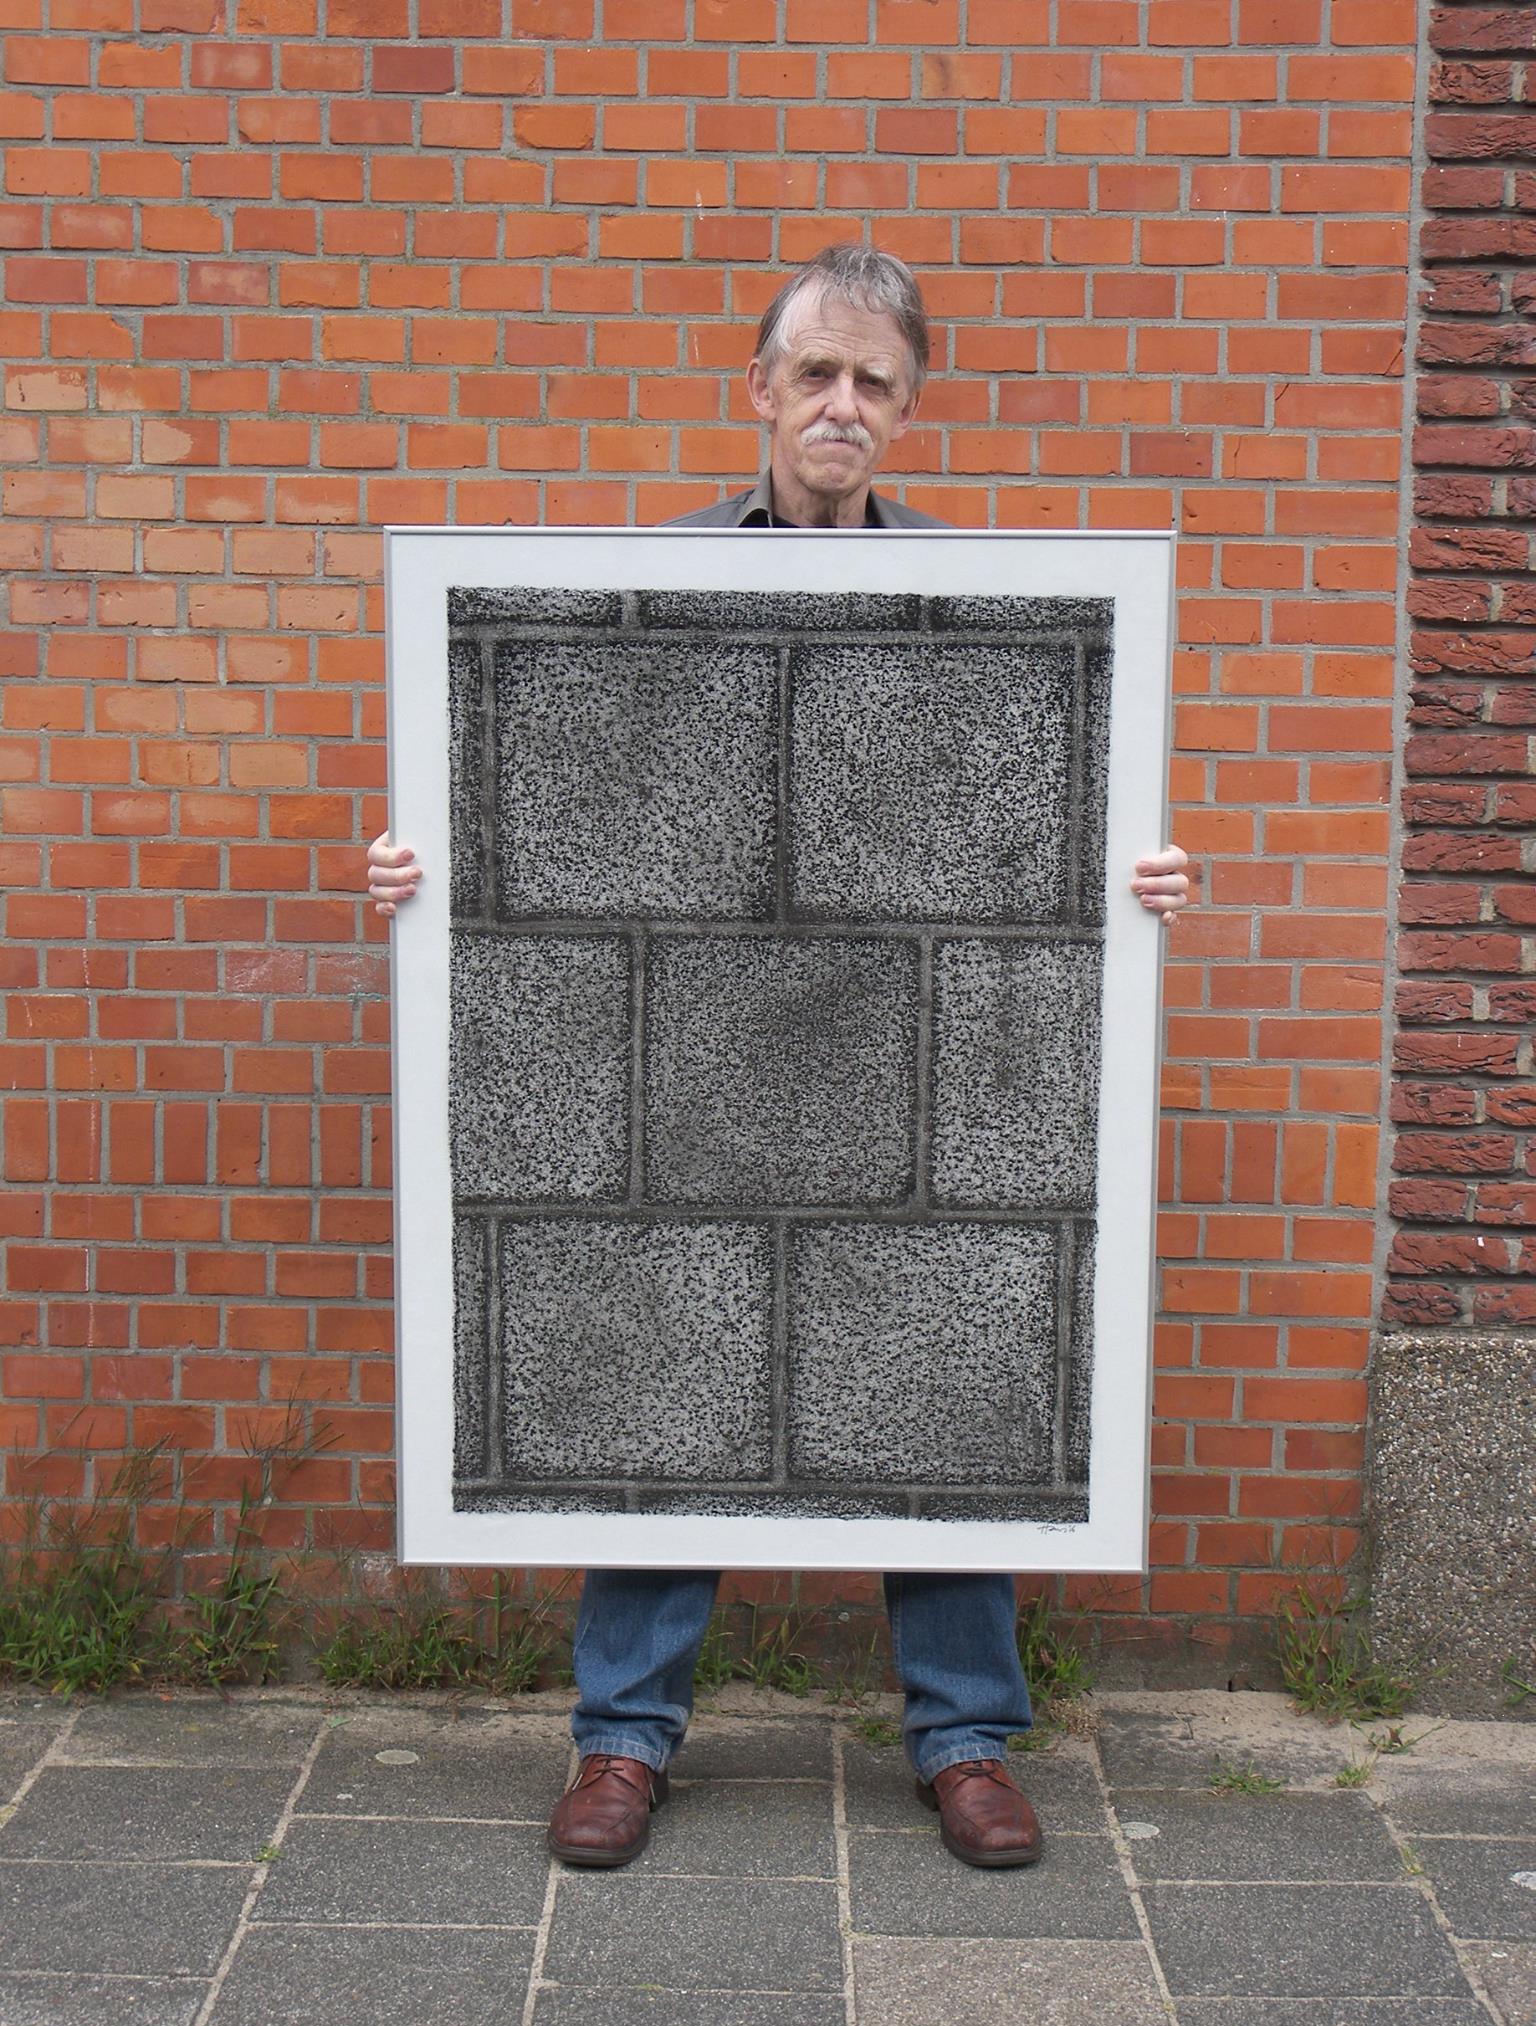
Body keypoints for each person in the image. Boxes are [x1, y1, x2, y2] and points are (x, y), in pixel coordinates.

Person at [367, 245, 1190, 1872]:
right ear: (759, 392)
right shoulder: (645, 584)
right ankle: (623, 1743)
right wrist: (423, 867)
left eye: (876, 382)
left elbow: (1032, 831)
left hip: (902, 1064)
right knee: (659, 1359)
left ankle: (963, 1740)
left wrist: (1135, 880)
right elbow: (559, 810)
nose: (842, 405)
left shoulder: (988, 611)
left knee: (946, 1359)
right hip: (689, 1067)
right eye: (816, 373)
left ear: (908, 410)